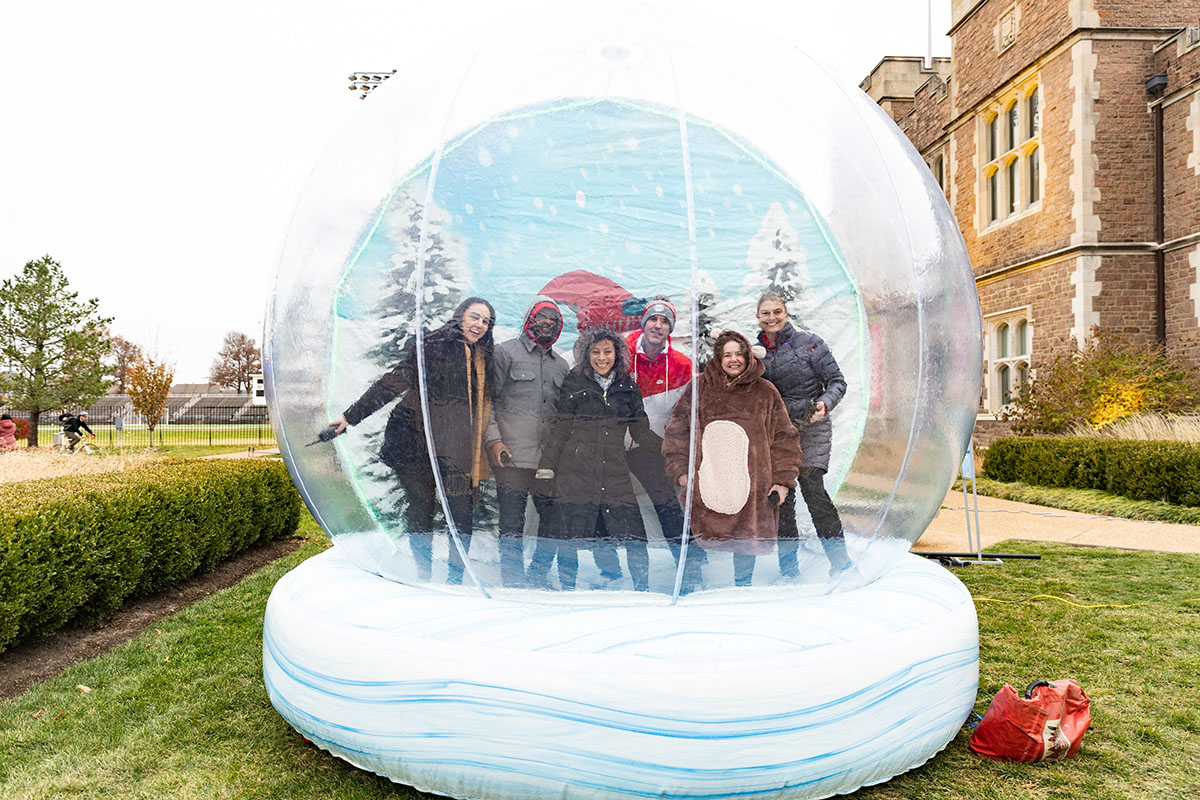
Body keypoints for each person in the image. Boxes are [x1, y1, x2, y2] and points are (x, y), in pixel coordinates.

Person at [328, 297, 496, 585]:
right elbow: (393, 382)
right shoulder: (432, 346)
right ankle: (423, 575)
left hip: (456, 448)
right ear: (460, 317)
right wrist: (350, 417)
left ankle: (455, 579)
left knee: (461, 515)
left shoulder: (484, 358)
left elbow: (485, 408)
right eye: (475, 317)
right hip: (414, 442)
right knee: (421, 510)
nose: (479, 324)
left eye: (486, 321)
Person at [662, 330, 801, 587]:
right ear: (718, 357)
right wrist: (681, 469)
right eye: (727, 355)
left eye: (739, 354)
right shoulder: (701, 386)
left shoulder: (765, 391)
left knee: (746, 536)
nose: (733, 360)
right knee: (693, 528)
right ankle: (693, 582)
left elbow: (785, 438)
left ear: (748, 356)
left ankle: (742, 587)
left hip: (752, 478)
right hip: (708, 476)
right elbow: (678, 429)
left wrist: (782, 481)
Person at [532, 328, 661, 590]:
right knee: (568, 534)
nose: (601, 358)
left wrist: (673, 449)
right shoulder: (574, 382)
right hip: (574, 471)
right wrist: (546, 466)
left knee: (634, 534)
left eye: (607, 351)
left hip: (614, 471)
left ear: (617, 354)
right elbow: (561, 428)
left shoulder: (628, 387)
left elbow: (641, 431)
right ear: (586, 354)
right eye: (595, 352)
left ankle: (642, 588)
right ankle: (567, 588)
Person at [755, 292, 851, 577]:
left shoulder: (809, 343)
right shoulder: (756, 350)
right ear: (758, 317)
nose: (771, 317)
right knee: (782, 500)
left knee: (814, 493)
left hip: (811, 427)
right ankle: (789, 570)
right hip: (777, 432)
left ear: (786, 313)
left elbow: (837, 381)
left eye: (777, 311)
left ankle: (841, 563)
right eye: (765, 313)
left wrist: (825, 403)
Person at [484, 297, 569, 586]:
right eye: (541, 317)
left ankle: (537, 576)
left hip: (547, 461)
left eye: (553, 320)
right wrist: (494, 441)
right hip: (510, 456)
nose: (546, 323)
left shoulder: (562, 365)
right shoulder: (504, 353)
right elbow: (487, 403)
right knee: (511, 525)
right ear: (529, 319)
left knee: (555, 522)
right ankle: (512, 581)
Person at [622, 297, 691, 561]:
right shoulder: (621, 352)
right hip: (613, 443)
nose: (658, 326)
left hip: (650, 446)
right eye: (653, 319)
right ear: (644, 322)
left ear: (670, 329)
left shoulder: (682, 364)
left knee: (665, 500)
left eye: (664, 322)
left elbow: (693, 410)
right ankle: (617, 568)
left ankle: (689, 560)